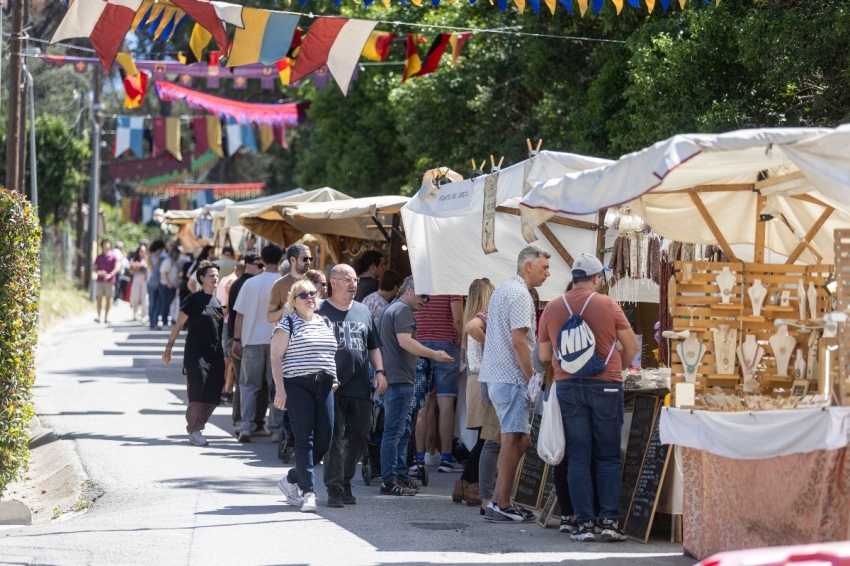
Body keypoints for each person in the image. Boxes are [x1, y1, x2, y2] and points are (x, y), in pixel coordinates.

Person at [538, 253, 638, 542]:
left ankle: (584, 525)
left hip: (568, 386)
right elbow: (630, 345)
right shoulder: (608, 304)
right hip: (606, 385)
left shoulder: (553, 306)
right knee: (607, 455)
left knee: (578, 456)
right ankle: (609, 520)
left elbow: (544, 354)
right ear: (597, 279)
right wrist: (616, 364)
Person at [478, 245, 550, 522]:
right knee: (513, 439)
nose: (548, 273)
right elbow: (519, 341)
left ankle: (498, 500)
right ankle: (502, 504)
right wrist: (533, 377)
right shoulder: (520, 294)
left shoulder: (505, 290)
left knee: (520, 439)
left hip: (500, 376)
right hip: (511, 377)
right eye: (544, 267)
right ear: (528, 266)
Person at [318, 264, 387, 507]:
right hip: (330, 386)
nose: (353, 284)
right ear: (333, 282)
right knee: (334, 439)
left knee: (359, 435)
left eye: (355, 279)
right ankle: (335, 488)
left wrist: (379, 371)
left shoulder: (363, 311)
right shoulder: (319, 310)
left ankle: (346, 480)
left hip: (359, 384)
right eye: (347, 279)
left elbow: (373, 345)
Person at [377, 276, 453, 496]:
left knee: (400, 432)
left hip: (397, 379)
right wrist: (434, 354)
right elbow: (405, 341)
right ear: (409, 289)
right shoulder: (402, 311)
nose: (426, 301)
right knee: (395, 432)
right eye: (423, 296)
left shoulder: (393, 308)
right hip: (399, 380)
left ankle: (398, 476)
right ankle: (390, 480)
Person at [271, 280, 339, 513]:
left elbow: (330, 352)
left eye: (312, 293)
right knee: (304, 440)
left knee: (325, 439)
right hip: (297, 385)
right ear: (293, 301)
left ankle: (292, 476)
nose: (309, 297)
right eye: (303, 295)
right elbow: (276, 358)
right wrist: (280, 389)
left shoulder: (324, 321)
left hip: (325, 385)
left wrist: (335, 377)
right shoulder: (287, 323)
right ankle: (308, 492)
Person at [162, 261, 225, 447]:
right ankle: (195, 428)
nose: (215, 278)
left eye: (216, 275)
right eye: (211, 275)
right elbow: (178, 325)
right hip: (195, 353)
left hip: (215, 353)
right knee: (198, 389)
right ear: (202, 278)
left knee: (215, 391)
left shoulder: (218, 302)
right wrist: (168, 349)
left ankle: (197, 424)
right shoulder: (193, 300)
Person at [232, 244, 285, 442]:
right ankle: (276, 428)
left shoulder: (250, 284)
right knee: (277, 385)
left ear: (262, 260)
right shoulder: (284, 283)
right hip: (278, 341)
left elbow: (240, 315)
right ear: (281, 261)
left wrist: (237, 339)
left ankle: (245, 425)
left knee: (248, 385)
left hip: (252, 339)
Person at [455, 278, 497, 509]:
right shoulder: (479, 323)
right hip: (483, 380)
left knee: (485, 437)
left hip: (475, 380)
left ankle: (464, 484)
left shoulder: (472, 321)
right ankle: (470, 483)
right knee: (487, 437)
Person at [413, 293, 465, 473]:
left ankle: (419, 457)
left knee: (423, 403)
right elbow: (458, 319)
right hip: (446, 344)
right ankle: (446, 458)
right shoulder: (450, 287)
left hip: (419, 344)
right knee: (446, 402)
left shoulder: (417, 283)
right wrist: (463, 343)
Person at [227, 251, 267, 430]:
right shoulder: (245, 284)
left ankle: (245, 421)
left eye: (264, 265)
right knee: (244, 382)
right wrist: (236, 339)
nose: (263, 269)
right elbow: (238, 315)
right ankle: (242, 420)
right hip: (241, 339)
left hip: (242, 338)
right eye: (259, 265)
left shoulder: (246, 283)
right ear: (248, 265)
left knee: (244, 382)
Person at [267, 244, 312, 324]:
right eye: (305, 259)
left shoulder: (314, 281)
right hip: (289, 335)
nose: (308, 262)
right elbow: (270, 317)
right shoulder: (279, 284)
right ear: (292, 260)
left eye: (310, 259)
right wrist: (284, 310)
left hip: (311, 333)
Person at [217, 261, 242, 404]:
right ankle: (226, 390)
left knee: (227, 359)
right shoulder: (232, 282)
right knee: (229, 360)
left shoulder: (225, 279)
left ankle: (223, 390)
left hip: (224, 322)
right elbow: (226, 307)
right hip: (227, 323)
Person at [93, 238, 122, 323]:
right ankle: (98, 316)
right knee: (99, 298)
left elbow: (117, 267)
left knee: (108, 299)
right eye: (105, 244)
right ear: (102, 246)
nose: (107, 245)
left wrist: (111, 274)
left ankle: (106, 317)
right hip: (100, 280)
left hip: (110, 281)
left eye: (108, 244)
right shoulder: (99, 257)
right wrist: (99, 272)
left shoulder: (113, 256)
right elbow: (94, 268)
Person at [147, 240, 167, 330]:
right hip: (152, 282)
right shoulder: (150, 257)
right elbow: (152, 269)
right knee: (153, 303)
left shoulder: (159, 257)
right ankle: (152, 322)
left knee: (156, 303)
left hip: (157, 282)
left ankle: (154, 322)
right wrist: (158, 262)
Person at [129, 244, 149, 322]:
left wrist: (143, 266)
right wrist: (136, 267)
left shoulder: (147, 259)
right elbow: (130, 271)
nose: (142, 253)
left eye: (143, 251)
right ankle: (135, 313)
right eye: (141, 251)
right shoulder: (134, 259)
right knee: (134, 297)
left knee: (145, 298)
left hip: (144, 280)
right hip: (136, 279)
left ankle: (144, 315)